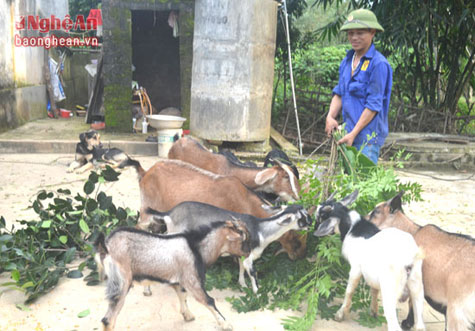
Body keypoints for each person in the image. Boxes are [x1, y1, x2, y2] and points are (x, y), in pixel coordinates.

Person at [325, 8, 393, 164]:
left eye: (360, 33)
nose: (354, 37)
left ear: (372, 32)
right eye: (350, 33)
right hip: (347, 133)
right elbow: (340, 93)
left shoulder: (378, 64)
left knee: (362, 183)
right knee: (345, 183)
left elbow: (373, 105)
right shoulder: (347, 61)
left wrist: (354, 134)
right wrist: (330, 117)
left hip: (367, 138)